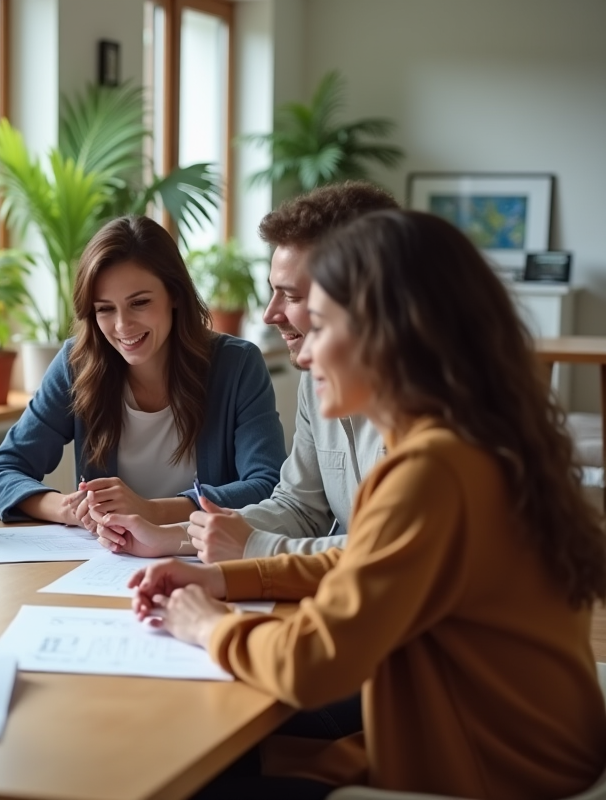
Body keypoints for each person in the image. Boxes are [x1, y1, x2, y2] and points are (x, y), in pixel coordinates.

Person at [130, 209, 606, 799]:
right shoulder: (470, 439)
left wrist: (208, 626)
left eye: (321, 326)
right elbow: (364, 563)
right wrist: (224, 579)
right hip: (510, 750)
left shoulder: (432, 470)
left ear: (390, 334)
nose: (304, 356)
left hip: (488, 775)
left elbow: (314, 662)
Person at [91, 183, 397, 560]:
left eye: (293, 296)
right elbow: (298, 508)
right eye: (273, 291)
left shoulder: (436, 404)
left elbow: (390, 548)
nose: (270, 314)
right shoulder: (313, 378)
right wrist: (169, 537)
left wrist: (250, 547)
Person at [0, 215, 285, 527]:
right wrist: (67, 508)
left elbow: (267, 485)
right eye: (105, 309)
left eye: (139, 303)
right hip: (108, 566)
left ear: (175, 295)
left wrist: (153, 512)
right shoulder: (77, 363)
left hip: (204, 561)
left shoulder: (237, 365)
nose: (122, 326)